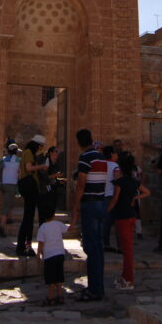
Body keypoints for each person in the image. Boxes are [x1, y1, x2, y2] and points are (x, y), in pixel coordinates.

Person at [69, 128, 107, 301]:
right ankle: (98, 286)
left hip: (90, 205)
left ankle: (94, 290)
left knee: (91, 248)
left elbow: (81, 184)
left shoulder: (85, 157)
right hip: (101, 203)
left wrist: (75, 208)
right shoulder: (101, 157)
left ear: (78, 142)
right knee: (98, 247)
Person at [108, 151, 150, 290]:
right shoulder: (134, 182)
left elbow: (115, 199)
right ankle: (124, 277)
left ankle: (128, 280)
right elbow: (147, 192)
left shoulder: (119, 182)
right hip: (132, 215)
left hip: (122, 217)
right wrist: (135, 198)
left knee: (127, 251)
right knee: (127, 248)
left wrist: (106, 211)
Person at [16, 134, 48, 256]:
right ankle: (21, 247)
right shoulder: (29, 153)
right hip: (30, 186)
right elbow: (29, 168)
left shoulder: (26, 152)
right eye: (41, 146)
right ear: (37, 145)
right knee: (27, 218)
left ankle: (25, 245)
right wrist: (42, 166)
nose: (41, 149)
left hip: (28, 186)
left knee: (28, 217)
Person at [36, 207, 69, 306]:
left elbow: (41, 243)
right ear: (54, 215)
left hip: (49, 256)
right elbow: (68, 229)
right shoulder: (58, 224)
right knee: (59, 276)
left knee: (51, 279)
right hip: (60, 254)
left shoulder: (43, 227)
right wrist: (74, 219)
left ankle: (51, 298)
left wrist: (38, 254)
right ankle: (60, 296)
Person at [0, 142, 21, 237]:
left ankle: (9, 218)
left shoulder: (3, 159)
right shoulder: (18, 160)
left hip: (3, 184)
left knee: (8, 201)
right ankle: (2, 226)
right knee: (6, 204)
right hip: (12, 184)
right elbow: (19, 172)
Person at [102, 145, 122, 251]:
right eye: (115, 153)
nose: (117, 155)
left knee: (106, 222)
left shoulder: (102, 164)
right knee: (117, 222)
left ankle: (105, 243)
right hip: (112, 195)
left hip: (103, 195)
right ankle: (120, 246)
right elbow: (117, 182)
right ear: (111, 154)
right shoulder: (115, 166)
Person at [39, 145, 64, 218]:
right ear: (50, 152)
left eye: (58, 151)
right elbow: (45, 177)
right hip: (46, 189)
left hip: (52, 188)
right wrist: (56, 175)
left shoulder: (55, 162)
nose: (57, 153)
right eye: (56, 151)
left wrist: (59, 180)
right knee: (47, 208)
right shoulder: (47, 161)